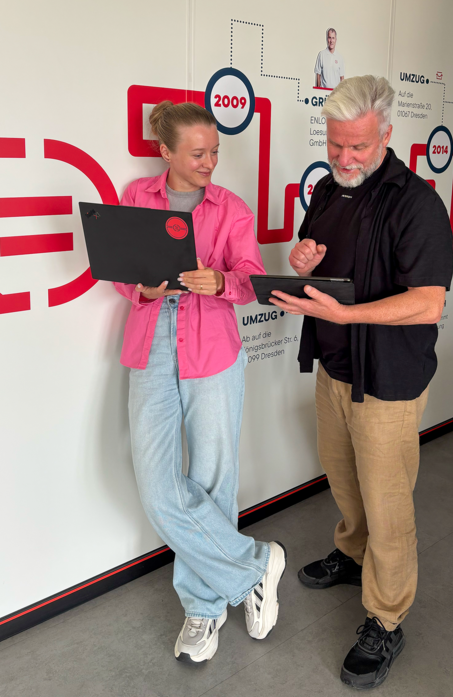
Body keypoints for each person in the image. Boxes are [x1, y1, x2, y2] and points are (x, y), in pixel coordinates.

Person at [270, 76, 453, 690]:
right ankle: (352, 555)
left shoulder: (416, 203)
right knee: (344, 479)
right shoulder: (328, 188)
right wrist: (302, 258)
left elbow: (428, 302)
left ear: (387, 135)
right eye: (336, 144)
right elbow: (314, 253)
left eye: (359, 146)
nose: (345, 158)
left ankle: (387, 617)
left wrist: (348, 316)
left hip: (388, 382)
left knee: (387, 503)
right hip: (334, 368)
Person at [114, 100, 287, 665]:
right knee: (157, 487)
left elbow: (253, 280)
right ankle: (254, 567)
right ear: (165, 152)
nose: (210, 162)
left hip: (212, 346)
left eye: (215, 151)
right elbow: (120, 271)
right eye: (197, 153)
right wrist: (141, 289)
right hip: (150, 346)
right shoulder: (136, 197)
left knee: (214, 480)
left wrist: (221, 281)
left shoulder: (230, 207)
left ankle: (204, 607)